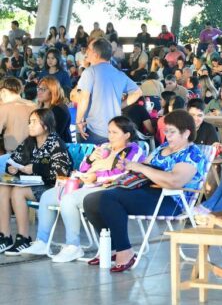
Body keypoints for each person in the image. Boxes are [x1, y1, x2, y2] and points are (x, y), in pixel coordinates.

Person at [83, 110, 208, 272]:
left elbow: (174, 181)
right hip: (147, 191)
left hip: (170, 200)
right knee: (91, 200)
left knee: (109, 198)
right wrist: (129, 166)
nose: (167, 136)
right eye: (166, 131)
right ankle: (112, 248)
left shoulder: (192, 154)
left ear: (186, 133)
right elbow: (144, 168)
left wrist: (141, 168)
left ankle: (125, 251)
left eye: (172, 132)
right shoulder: (163, 147)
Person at [21, 117, 145, 261]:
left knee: (69, 200)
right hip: (85, 184)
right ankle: (42, 242)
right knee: (47, 196)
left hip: (108, 189)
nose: (110, 136)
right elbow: (83, 168)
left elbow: (124, 174)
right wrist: (90, 159)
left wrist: (96, 176)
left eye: (115, 133)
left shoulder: (133, 151)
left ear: (127, 135)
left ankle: (73, 246)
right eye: (109, 132)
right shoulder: (104, 147)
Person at [0, 108, 72, 254]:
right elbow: (13, 160)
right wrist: (12, 168)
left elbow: (61, 172)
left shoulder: (56, 143)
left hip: (51, 187)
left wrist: (35, 168)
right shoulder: (29, 142)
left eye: (34, 122)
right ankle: (5, 237)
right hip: (31, 184)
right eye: (29, 122)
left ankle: (23, 238)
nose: (29, 125)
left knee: (18, 192)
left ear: (45, 125)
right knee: (3, 188)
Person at [75, 39, 142, 145]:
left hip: (94, 130)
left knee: (90, 156)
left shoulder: (90, 72)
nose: (86, 51)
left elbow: (84, 98)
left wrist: (78, 121)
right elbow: (138, 92)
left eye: (89, 49)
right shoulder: (119, 74)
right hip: (115, 131)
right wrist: (120, 105)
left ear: (95, 54)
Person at [37, 76, 72, 143]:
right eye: (38, 89)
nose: (39, 92)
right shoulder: (40, 108)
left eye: (43, 89)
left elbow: (54, 134)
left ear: (53, 91)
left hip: (58, 146)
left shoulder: (60, 110)